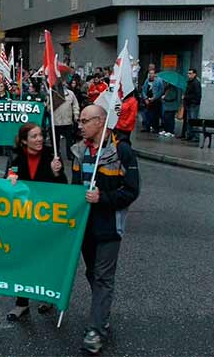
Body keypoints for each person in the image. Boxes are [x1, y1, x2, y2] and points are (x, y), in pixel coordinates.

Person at [70, 104, 140, 355]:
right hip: (85, 228)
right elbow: (75, 190)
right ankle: (103, 314)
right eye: (80, 120)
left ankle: (96, 330)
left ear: (100, 122)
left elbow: (131, 191)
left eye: (85, 121)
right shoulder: (78, 151)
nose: (80, 125)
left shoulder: (122, 152)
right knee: (93, 273)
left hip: (109, 226)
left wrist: (103, 199)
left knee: (102, 276)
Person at [4, 122, 67, 320]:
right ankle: (21, 303)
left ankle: (46, 296)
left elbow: (63, 187)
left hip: (45, 217)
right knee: (23, 258)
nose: (39, 139)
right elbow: (10, 178)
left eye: (40, 135)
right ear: (24, 140)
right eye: (34, 136)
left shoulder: (51, 154)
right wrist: (10, 178)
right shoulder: (16, 155)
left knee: (45, 258)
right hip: (24, 217)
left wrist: (56, 172)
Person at [51, 79, 80, 160]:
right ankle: (56, 154)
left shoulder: (71, 94)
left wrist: (76, 115)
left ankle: (69, 154)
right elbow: (48, 108)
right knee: (55, 140)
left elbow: (75, 105)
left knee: (69, 140)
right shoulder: (52, 94)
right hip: (56, 122)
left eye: (64, 83)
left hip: (67, 121)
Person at [140, 69, 164, 133]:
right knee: (146, 114)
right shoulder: (147, 81)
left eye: (152, 73)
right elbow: (143, 90)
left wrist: (154, 97)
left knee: (155, 115)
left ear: (155, 74)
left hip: (155, 101)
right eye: (150, 73)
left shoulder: (159, 81)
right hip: (147, 100)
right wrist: (145, 98)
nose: (151, 75)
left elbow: (161, 90)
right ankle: (146, 127)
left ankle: (155, 128)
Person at [181, 69, 202, 142]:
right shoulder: (190, 82)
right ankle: (189, 135)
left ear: (194, 74)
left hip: (193, 104)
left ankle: (196, 136)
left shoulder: (196, 83)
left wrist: (186, 97)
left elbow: (197, 95)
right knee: (189, 121)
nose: (188, 75)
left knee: (193, 120)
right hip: (189, 104)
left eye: (190, 73)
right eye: (188, 73)